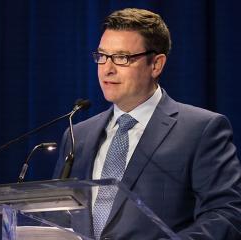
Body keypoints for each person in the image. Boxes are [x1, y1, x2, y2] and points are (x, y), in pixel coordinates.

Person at [53, 8, 241, 240]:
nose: (107, 69)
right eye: (102, 56)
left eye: (122, 58)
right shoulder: (77, 135)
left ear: (156, 65)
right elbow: (58, 217)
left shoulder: (201, 129)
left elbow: (226, 214)